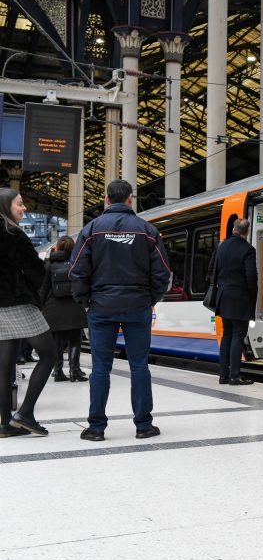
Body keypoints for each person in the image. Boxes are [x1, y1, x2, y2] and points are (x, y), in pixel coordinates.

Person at [69, 180, 171, 441]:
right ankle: (144, 425)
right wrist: (151, 298)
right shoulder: (147, 230)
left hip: (101, 308)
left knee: (101, 368)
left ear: (106, 199)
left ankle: (96, 428)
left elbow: (76, 270)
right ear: (130, 199)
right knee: (139, 366)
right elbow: (162, 272)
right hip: (138, 306)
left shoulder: (91, 230)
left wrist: (85, 301)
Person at [0, 188, 56, 437]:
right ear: (5, 206)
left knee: (4, 367)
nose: (24, 208)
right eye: (19, 204)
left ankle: (5, 424)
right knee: (49, 354)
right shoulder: (13, 234)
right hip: (18, 303)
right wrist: (34, 294)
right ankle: (26, 413)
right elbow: (36, 271)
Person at [209, 218, 258, 385]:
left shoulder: (221, 246)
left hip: (223, 298)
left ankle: (223, 375)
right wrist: (253, 299)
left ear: (234, 229)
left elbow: (211, 271)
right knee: (238, 336)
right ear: (247, 232)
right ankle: (235, 375)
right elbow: (251, 278)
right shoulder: (248, 250)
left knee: (227, 335)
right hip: (240, 299)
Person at [39, 236, 88, 382]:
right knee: (75, 341)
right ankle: (75, 372)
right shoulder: (77, 262)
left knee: (57, 342)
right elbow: (83, 284)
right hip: (74, 306)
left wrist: (40, 306)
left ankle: (58, 372)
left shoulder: (49, 263)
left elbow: (44, 288)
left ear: (58, 248)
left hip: (54, 308)